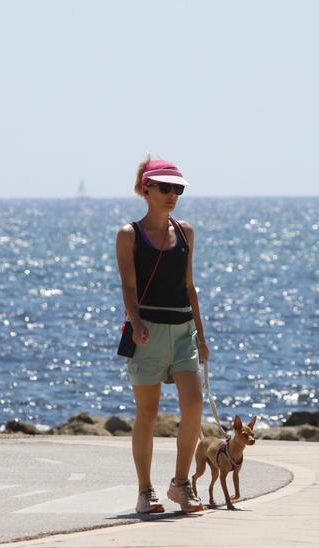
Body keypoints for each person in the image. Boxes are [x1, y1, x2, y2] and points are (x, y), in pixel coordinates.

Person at [115, 156, 211, 514]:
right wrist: (136, 322)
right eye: (165, 188)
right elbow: (128, 284)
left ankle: (182, 484)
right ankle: (145, 491)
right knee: (147, 413)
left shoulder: (186, 231)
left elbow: (190, 285)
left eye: (178, 189)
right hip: (147, 332)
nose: (173, 194)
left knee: (193, 405)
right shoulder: (129, 234)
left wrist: (202, 336)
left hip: (183, 330)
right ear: (146, 189)